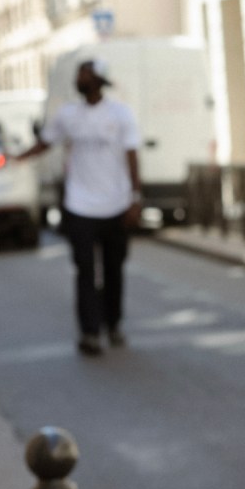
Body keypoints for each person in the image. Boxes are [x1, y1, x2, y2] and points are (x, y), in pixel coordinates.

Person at [20, 57, 142, 355]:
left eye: (84, 73)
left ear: (98, 79)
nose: (79, 78)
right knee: (85, 270)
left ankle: (112, 323)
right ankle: (90, 332)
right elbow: (45, 142)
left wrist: (135, 198)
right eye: (78, 73)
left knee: (113, 270)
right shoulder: (67, 115)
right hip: (80, 205)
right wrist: (15, 159)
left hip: (116, 204)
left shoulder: (120, 114)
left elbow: (132, 156)